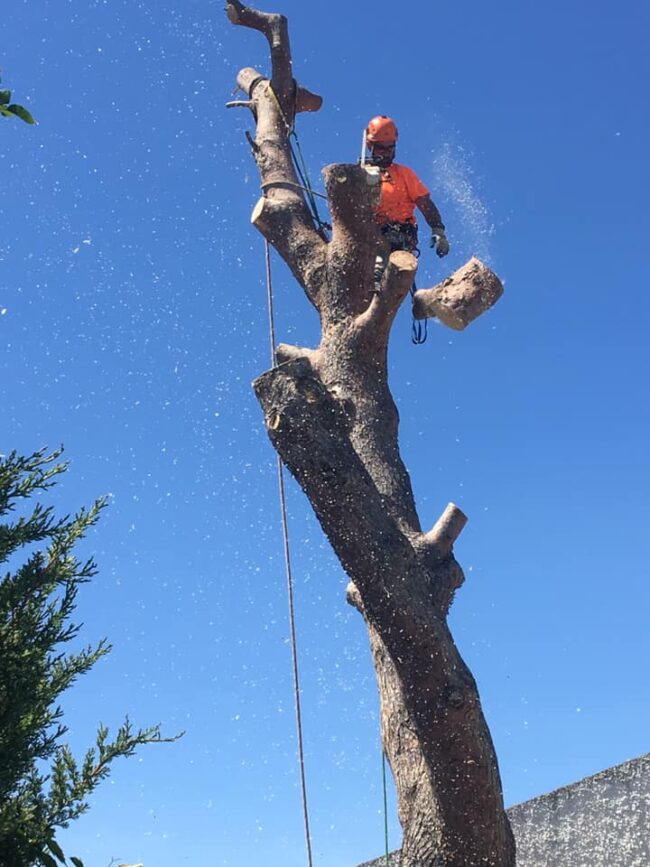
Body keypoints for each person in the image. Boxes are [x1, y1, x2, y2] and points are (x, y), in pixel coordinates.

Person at [365, 115, 449, 289]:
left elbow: (425, 204)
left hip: (399, 236)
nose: (387, 153)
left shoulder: (404, 174)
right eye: (381, 148)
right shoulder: (359, 174)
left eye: (390, 148)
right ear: (371, 146)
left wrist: (438, 230)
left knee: (379, 271)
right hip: (369, 237)